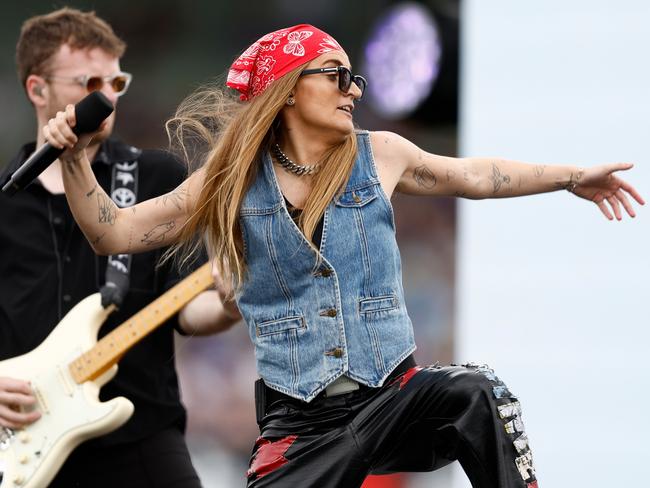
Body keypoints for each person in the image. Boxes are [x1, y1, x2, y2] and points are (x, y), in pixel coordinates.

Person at [42, 24, 644, 488]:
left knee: (478, 392)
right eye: (335, 75)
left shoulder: (380, 153)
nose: (352, 89)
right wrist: (72, 160)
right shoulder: (228, 181)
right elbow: (114, 233)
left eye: (354, 78)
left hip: (395, 394)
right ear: (286, 90)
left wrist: (570, 177)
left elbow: (477, 174)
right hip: (301, 424)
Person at [0, 8, 240, 488]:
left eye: (116, 82)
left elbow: (190, 307)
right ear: (37, 89)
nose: (107, 98)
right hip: (20, 443)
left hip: (140, 437)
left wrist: (232, 304)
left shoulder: (156, 178)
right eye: (89, 82)